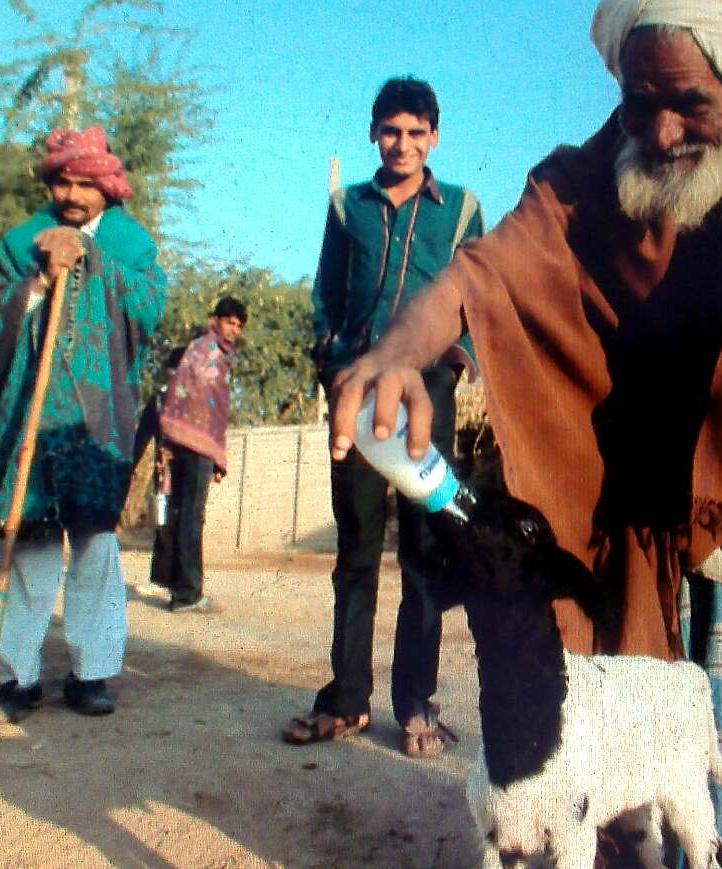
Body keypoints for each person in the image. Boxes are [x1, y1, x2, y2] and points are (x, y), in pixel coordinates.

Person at [330, 2, 722, 866]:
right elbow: (481, 273)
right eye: (638, 97)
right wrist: (395, 350)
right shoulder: (587, 179)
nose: (659, 127)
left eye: (689, 102)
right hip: (639, 525)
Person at [282, 77, 484, 758]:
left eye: (416, 132)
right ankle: (346, 700)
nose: (403, 144)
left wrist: (452, 367)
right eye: (391, 131)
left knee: (427, 554)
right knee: (357, 548)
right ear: (374, 133)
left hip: (429, 398)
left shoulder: (461, 210)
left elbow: (475, 303)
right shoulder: (349, 208)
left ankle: (417, 705)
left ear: (434, 137)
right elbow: (325, 298)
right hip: (359, 397)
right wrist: (334, 363)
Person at [0, 126, 166, 723]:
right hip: (29, 419)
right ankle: (16, 676)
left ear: (109, 187)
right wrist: (37, 282)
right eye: (63, 181)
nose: (74, 194)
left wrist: (94, 262)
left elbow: (150, 310)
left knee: (94, 548)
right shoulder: (20, 241)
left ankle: (91, 673)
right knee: (24, 545)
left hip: (95, 424)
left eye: (87, 183)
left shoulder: (131, 246)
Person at [149, 296, 247, 613]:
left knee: (183, 514)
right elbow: (194, 397)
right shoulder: (207, 352)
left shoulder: (202, 352)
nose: (235, 330)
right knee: (190, 515)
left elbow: (208, 405)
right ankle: (189, 593)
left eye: (239, 326)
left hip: (186, 443)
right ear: (216, 320)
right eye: (230, 322)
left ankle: (180, 591)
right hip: (193, 447)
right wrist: (209, 449)